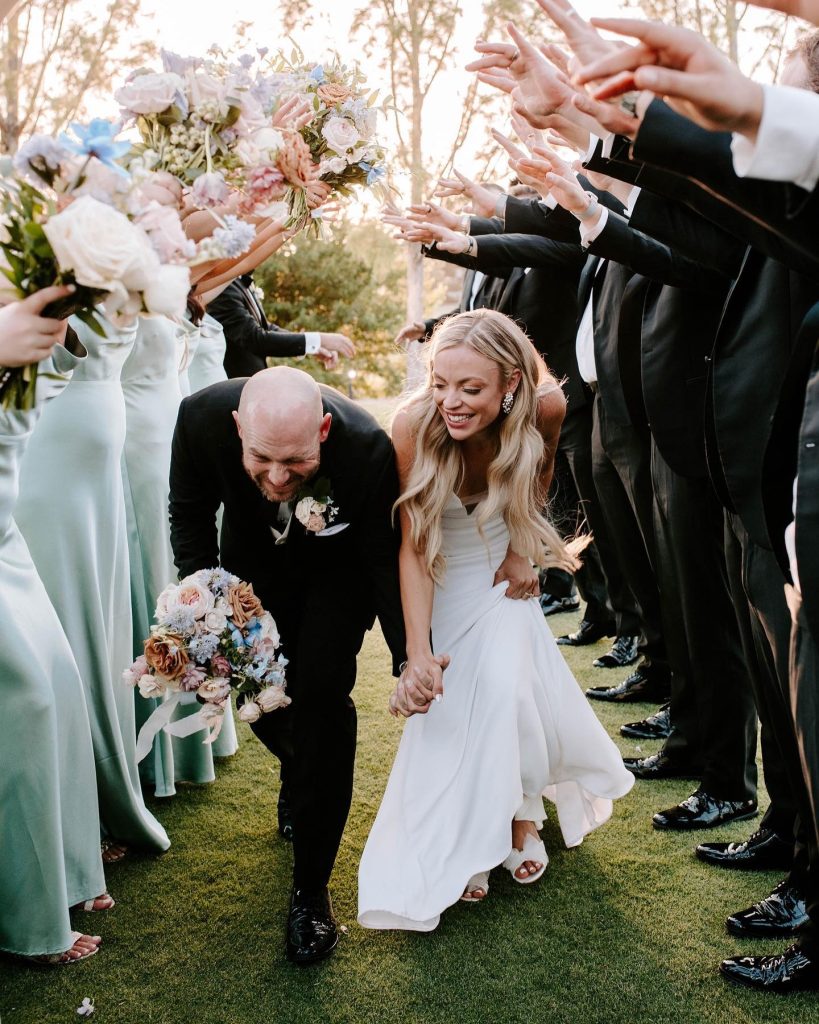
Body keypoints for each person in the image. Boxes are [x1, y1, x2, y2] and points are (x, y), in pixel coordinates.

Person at [357, 309, 634, 931]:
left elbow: (541, 476)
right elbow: (414, 545)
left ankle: (518, 816)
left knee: (507, 689)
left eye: (470, 388)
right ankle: (499, 822)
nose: (451, 402)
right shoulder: (412, 425)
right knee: (456, 703)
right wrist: (417, 653)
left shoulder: (546, 406)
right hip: (442, 565)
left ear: (510, 384)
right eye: (440, 383)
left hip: (498, 555)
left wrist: (520, 551)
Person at [168, 366, 406, 965]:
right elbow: (190, 515)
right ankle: (302, 779)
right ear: (237, 428)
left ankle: (311, 891)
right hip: (248, 575)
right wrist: (205, 608)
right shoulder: (198, 419)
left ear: (323, 430)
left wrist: (408, 656)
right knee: (263, 700)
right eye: (261, 459)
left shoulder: (367, 447)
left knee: (321, 699)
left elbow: (380, 558)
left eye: (296, 462)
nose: (277, 477)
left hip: (336, 577)